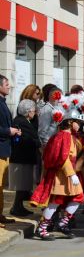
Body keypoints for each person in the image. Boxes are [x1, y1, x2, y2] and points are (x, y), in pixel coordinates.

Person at [30, 102, 84, 240]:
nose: (79, 126)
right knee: (56, 201)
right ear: (70, 122)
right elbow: (63, 158)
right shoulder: (63, 136)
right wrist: (72, 174)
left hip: (67, 174)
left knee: (79, 197)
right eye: (78, 122)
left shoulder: (70, 136)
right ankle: (42, 228)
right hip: (60, 175)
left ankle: (63, 222)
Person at [8, 99, 40, 217]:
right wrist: (36, 142)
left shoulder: (26, 121)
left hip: (26, 157)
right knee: (21, 185)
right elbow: (22, 139)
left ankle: (19, 206)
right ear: (27, 111)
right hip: (21, 158)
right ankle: (16, 207)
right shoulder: (20, 121)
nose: (34, 112)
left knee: (23, 185)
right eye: (33, 110)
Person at [0, 75, 23, 227]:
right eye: (7, 84)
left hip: (4, 149)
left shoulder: (3, 102)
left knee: (1, 185)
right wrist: (9, 131)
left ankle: (0, 214)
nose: (9, 86)